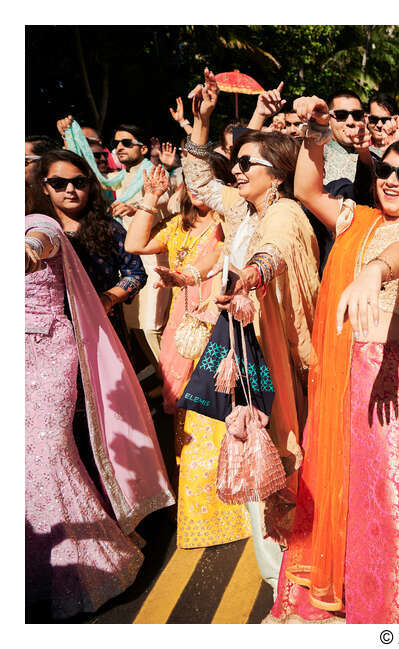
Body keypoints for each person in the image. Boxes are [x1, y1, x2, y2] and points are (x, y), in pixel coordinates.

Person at [270, 100, 399, 623]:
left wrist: (373, 272)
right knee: (349, 487)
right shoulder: (359, 218)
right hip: (346, 374)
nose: (393, 180)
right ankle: (355, 586)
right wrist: (316, 132)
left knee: (391, 491)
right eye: (385, 170)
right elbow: (307, 190)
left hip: (392, 378)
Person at [182, 68, 322, 585]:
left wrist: (253, 277)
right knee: (253, 448)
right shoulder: (244, 209)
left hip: (274, 355)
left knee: (280, 453)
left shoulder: (284, 213)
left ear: (278, 174)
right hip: (246, 350)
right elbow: (199, 181)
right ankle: (282, 572)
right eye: (236, 163)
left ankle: (291, 575)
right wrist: (201, 125)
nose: (235, 171)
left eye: (246, 164)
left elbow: (276, 251)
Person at [25, 193, 175, 620]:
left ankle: (101, 551)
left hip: (67, 347)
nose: (67, 191)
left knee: (53, 452)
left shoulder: (43, 225)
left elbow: (132, 270)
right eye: (58, 182)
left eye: (74, 181)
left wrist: (112, 296)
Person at [125, 161, 253, 551]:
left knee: (216, 408)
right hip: (183, 325)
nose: (195, 189)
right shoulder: (177, 227)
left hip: (217, 318)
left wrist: (187, 278)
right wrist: (150, 198)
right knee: (186, 410)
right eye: (190, 182)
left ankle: (227, 504)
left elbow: (213, 265)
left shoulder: (229, 224)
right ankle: (201, 502)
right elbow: (133, 245)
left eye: (204, 181)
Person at [57, 116, 172, 375]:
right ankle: (162, 382)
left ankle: (174, 388)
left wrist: (139, 209)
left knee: (151, 326)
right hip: (121, 259)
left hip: (151, 262)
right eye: (116, 142)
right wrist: (68, 138)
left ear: (143, 149)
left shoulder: (156, 175)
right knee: (135, 328)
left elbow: (172, 210)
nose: (119, 147)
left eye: (127, 142)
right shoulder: (116, 178)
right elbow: (76, 175)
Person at [35, 150, 147, 348]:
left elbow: (136, 274)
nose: (70, 189)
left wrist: (107, 299)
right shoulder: (36, 231)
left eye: (79, 183)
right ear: (45, 187)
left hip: (102, 327)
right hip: (49, 337)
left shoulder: (110, 228)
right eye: (58, 183)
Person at [324, 90, 365, 184]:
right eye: (341, 115)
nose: (350, 122)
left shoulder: (377, 155)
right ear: (328, 120)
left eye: (357, 115)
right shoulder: (316, 155)